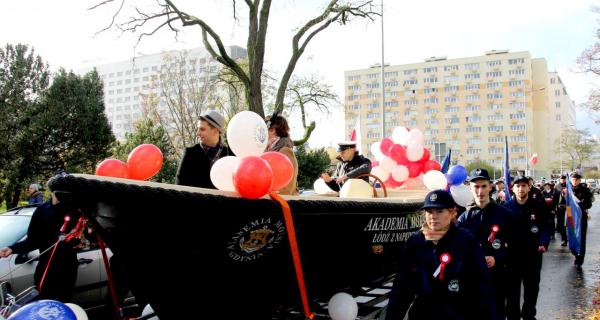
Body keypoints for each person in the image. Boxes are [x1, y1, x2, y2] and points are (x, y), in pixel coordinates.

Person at [386, 189, 496, 320]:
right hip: (423, 314)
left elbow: (481, 285)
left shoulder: (466, 240)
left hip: (458, 314)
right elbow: (402, 287)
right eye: (429, 211)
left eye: (439, 211)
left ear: (452, 213)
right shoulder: (415, 242)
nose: (433, 216)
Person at [457, 168, 514, 319]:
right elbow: (457, 249)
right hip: (471, 280)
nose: (480, 191)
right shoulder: (463, 219)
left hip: (497, 278)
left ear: (490, 186)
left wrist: (498, 258)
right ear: (470, 187)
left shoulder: (505, 215)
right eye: (476, 186)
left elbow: (515, 247)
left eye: (483, 186)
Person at [0, 192, 79, 302]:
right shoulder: (42, 210)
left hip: (66, 269)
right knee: (42, 303)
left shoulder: (74, 210)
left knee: (60, 304)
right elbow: (33, 240)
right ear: (52, 189)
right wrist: (12, 248)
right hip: (45, 267)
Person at [504, 176, 551, 320]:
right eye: (518, 186)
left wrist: (543, 242)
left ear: (529, 187)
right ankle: (513, 315)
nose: (521, 189)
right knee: (512, 289)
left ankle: (529, 314)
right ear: (512, 188)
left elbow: (546, 226)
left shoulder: (538, 206)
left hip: (533, 254)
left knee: (531, 288)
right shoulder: (506, 208)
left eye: (524, 185)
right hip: (512, 255)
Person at [176, 110, 234, 189]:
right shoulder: (190, 154)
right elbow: (180, 187)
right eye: (198, 129)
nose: (197, 133)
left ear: (215, 131)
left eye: (202, 129)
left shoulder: (230, 155)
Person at [265, 113, 299, 195]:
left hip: (281, 202)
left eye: (263, 129)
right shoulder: (266, 151)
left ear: (273, 130)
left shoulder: (285, 151)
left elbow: (287, 188)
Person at [569, 171, 594, 267]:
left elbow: (589, 204)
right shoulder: (567, 190)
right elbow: (562, 204)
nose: (575, 181)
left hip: (581, 218)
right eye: (573, 179)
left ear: (580, 180)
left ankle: (580, 259)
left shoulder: (584, 190)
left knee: (581, 239)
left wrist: (579, 205)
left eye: (576, 180)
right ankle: (575, 253)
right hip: (570, 217)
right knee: (572, 238)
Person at [554, 175, 568, 246]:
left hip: (569, 207)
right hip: (560, 208)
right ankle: (564, 239)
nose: (562, 180)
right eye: (561, 179)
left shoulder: (569, 185)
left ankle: (567, 238)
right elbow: (555, 198)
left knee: (569, 224)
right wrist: (554, 208)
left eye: (564, 179)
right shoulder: (557, 187)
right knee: (561, 225)